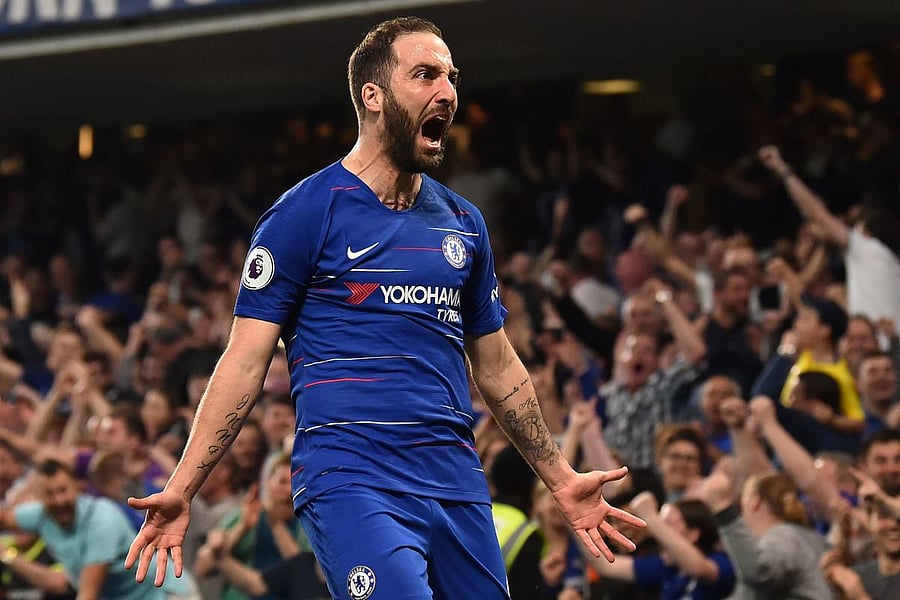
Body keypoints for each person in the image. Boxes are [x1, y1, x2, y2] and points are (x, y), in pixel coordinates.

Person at [125, 16, 644, 600]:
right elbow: (244, 361)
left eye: (451, 77)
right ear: (373, 97)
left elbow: (497, 367)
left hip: (455, 480)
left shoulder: (463, 223)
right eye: (425, 75)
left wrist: (561, 479)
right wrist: (183, 486)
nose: (447, 92)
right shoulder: (305, 213)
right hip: (352, 479)